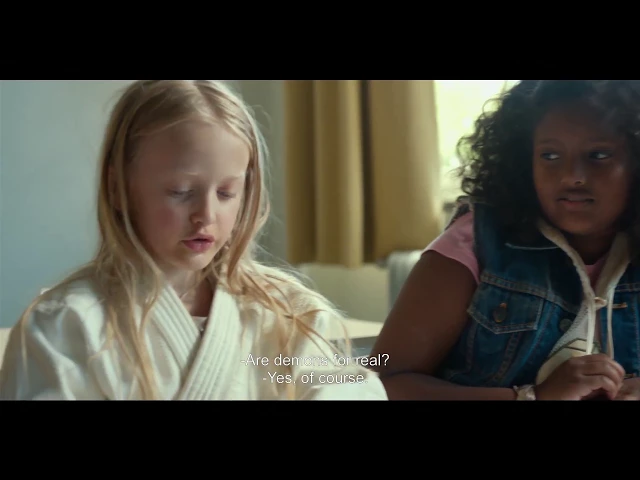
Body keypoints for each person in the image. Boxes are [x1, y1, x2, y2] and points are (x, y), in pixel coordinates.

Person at [0, 80, 387, 401]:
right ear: (118, 188)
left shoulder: (289, 315)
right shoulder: (67, 325)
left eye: (226, 193)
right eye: (181, 191)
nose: (206, 215)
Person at [370, 80, 640, 401]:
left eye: (598, 155)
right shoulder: (476, 242)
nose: (572, 176)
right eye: (550, 155)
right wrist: (532, 397)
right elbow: (381, 381)